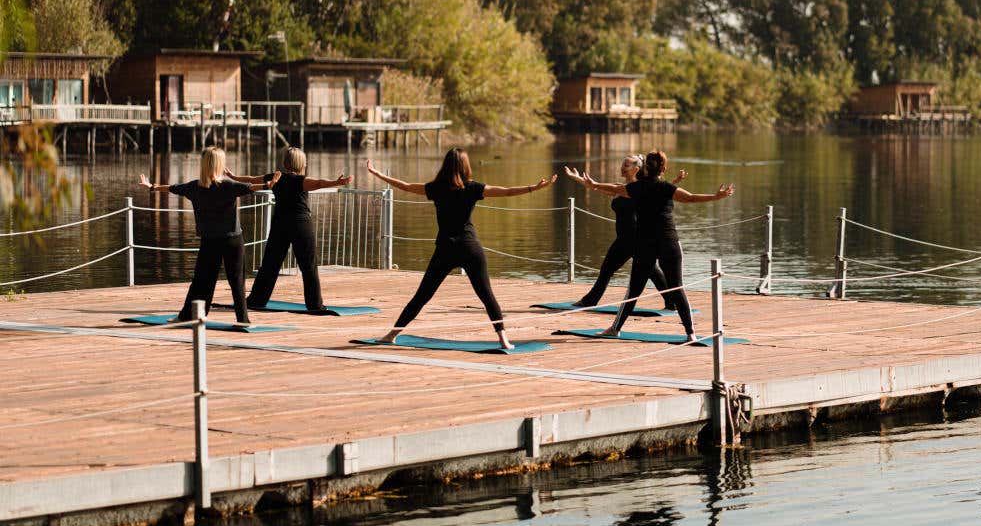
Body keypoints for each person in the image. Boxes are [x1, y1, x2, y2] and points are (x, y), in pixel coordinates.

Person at [365, 149, 557, 349]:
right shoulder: (473, 188)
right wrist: (534, 188)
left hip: (445, 249)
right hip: (470, 248)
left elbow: (405, 186)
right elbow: (506, 191)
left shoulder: (435, 188)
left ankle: (392, 335)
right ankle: (504, 340)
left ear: (445, 165)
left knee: (422, 296)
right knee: (486, 296)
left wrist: (378, 174)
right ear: (466, 166)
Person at [574, 150, 734, 341]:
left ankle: (616, 329)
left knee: (634, 290)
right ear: (664, 169)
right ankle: (691, 333)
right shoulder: (666, 187)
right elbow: (690, 198)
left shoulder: (637, 187)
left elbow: (616, 189)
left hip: (645, 244)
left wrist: (594, 184)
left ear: (646, 167)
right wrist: (716, 197)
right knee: (676, 288)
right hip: (669, 242)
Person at [138, 147, 280, 324]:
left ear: (204, 165)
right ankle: (242, 320)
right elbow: (251, 188)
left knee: (201, 281)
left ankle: (188, 315)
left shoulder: (194, 187)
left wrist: (152, 187)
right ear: (219, 164)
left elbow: (172, 188)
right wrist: (270, 184)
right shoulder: (228, 186)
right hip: (232, 240)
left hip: (210, 241)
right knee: (236, 282)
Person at [224, 147, 351, 313]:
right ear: (301, 163)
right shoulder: (301, 180)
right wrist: (337, 182)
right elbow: (319, 183)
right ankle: (314, 305)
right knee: (308, 266)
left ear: (285, 162)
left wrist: (234, 177)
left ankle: (257, 300)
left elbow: (251, 179)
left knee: (270, 264)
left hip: (280, 224)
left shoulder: (275, 178)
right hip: (300, 224)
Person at [563, 156, 687, 308]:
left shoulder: (639, 188)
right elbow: (596, 187)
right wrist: (577, 178)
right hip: (626, 237)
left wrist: (674, 182)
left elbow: (660, 190)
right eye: (622, 164)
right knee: (651, 271)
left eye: (626, 165)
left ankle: (590, 300)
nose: (622, 167)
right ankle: (671, 301)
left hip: (633, 237)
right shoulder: (622, 188)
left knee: (608, 269)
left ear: (636, 169)